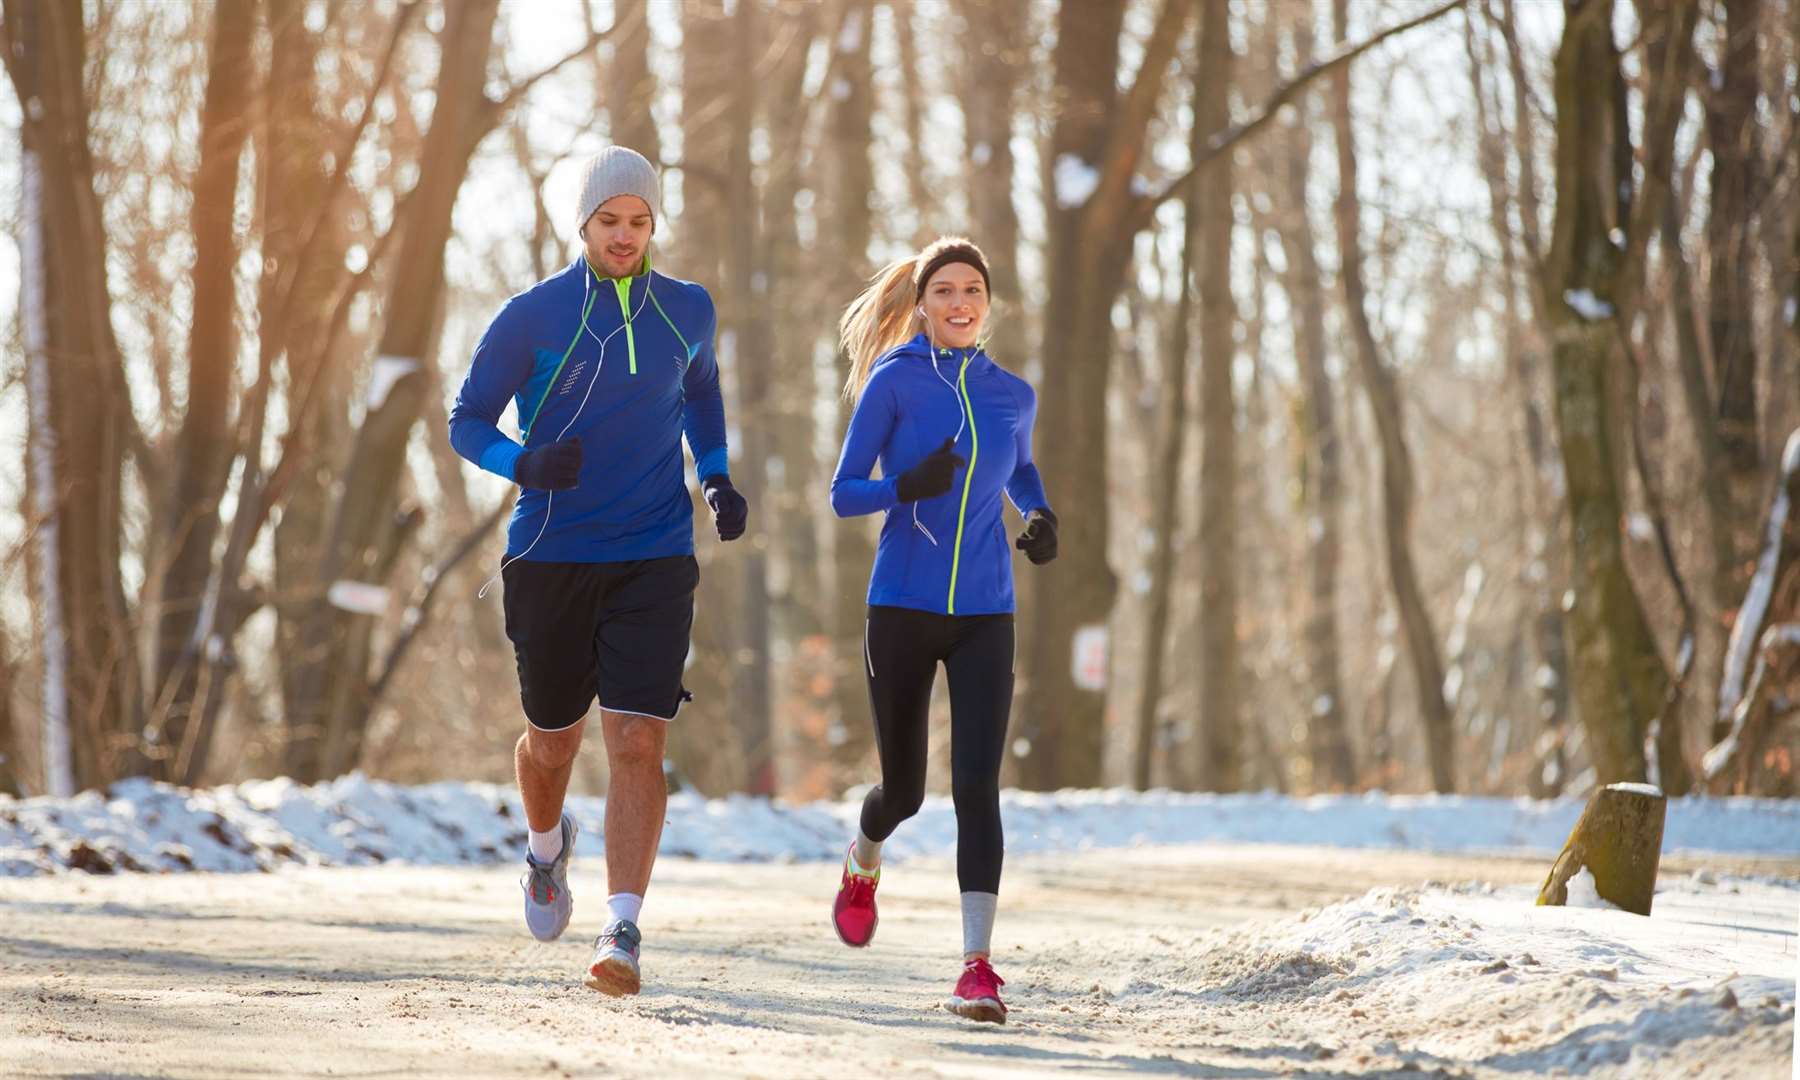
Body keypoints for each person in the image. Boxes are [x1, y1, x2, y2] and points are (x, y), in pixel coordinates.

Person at [448, 145, 747, 997]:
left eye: (640, 221)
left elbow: (701, 391)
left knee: (639, 738)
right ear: (582, 224)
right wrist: (524, 464)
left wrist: (717, 474)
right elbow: (466, 419)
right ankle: (546, 852)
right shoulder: (533, 316)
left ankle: (623, 929)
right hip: (551, 554)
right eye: (610, 221)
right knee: (552, 743)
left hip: (654, 551)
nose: (625, 236)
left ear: (656, 225)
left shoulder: (687, 308)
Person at [827, 237, 1058, 1024]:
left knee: (977, 789)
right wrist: (904, 486)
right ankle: (864, 859)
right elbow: (842, 493)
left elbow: (1019, 467)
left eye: (973, 291)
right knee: (906, 792)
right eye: (945, 291)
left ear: (987, 303)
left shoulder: (1011, 394)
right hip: (902, 606)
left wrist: (1041, 514)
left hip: (987, 611)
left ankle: (977, 967)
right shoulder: (893, 382)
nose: (960, 303)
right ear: (922, 304)